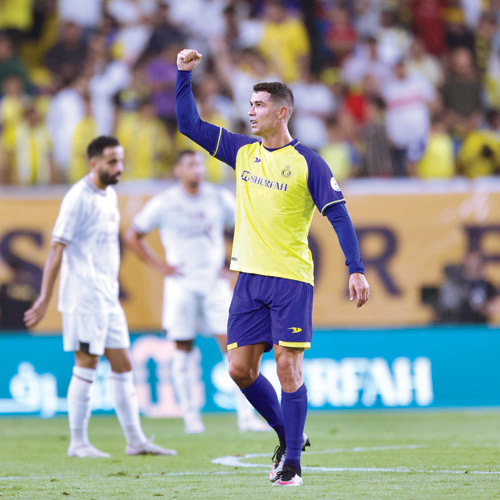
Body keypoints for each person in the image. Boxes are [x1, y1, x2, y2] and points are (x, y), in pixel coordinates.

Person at [175, 49, 370, 486]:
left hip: (291, 280)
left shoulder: (309, 162)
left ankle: (293, 464)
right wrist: (183, 74)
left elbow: (338, 215)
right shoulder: (243, 152)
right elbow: (189, 125)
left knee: (286, 366)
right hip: (248, 279)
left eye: (259, 105)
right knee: (239, 370)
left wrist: (355, 267)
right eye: (249, 104)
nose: (251, 111)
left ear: (282, 112)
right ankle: (288, 436)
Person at [23, 136, 176, 458]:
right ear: (93, 163)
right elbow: (56, 248)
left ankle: (135, 441)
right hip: (83, 296)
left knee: (123, 364)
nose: (119, 167)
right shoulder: (78, 198)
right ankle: (78, 443)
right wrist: (44, 298)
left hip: (107, 296)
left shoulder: (109, 195)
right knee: (87, 364)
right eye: (112, 162)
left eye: (120, 160)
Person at [123, 149, 270, 434]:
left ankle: (246, 417)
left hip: (214, 282)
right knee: (183, 349)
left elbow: (247, 228)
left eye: (200, 165)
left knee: (235, 347)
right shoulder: (165, 202)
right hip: (181, 283)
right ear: (177, 170)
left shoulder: (218, 198)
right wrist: (160, 266)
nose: (197, 170)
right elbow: (132, 235)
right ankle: (191, 418)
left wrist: (234, 265)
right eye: (190, 165)